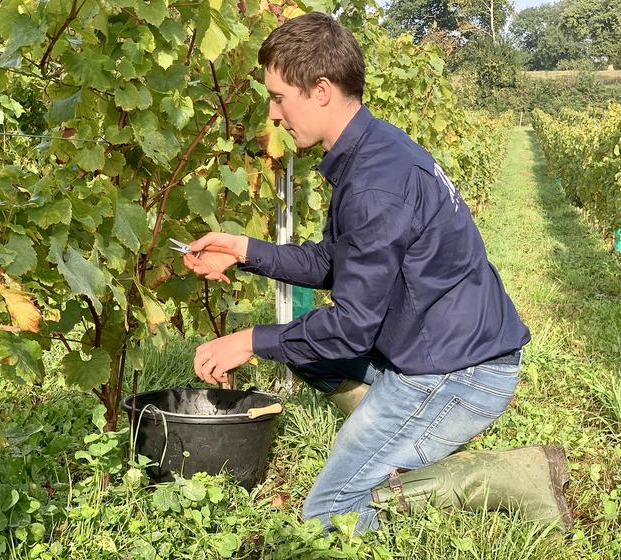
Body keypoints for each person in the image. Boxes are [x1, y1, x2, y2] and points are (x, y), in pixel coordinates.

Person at [182, 12, 572, 534]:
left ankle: (498, 477)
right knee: (308, 355)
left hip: (460, 371)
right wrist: (245, 249)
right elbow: (330, 263)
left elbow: (351, 327)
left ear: (320, 90)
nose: (273, 115)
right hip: (440, 342)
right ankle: (391, 436)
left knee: (326, 516)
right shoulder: (372, 149)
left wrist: (249, 340)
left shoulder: (373, 184)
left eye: (279, 98)